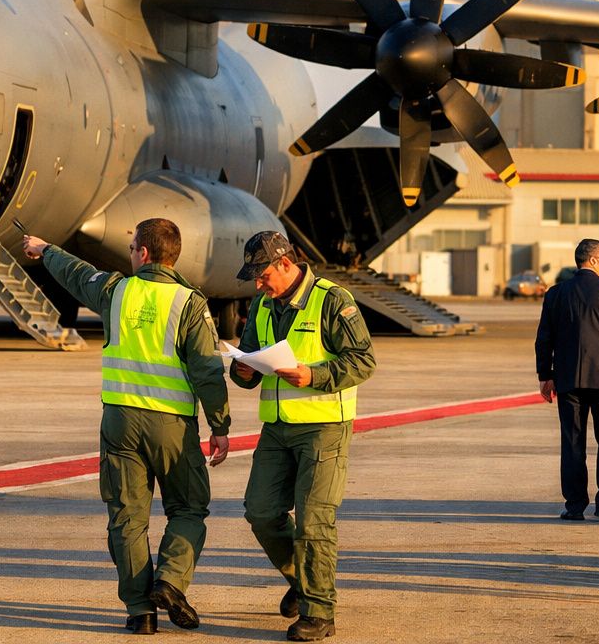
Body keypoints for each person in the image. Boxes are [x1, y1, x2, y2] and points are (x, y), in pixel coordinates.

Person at [23, 219, 231, 635]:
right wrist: (220, 424)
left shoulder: (116, 290)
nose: (130, 251)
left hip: (120, 422)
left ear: (145, 254)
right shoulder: (188, 302)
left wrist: (45, 249)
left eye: (133, 246)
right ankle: (170, 582)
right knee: (188, 508)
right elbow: (207, 370)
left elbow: (76, 273)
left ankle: (141, 612)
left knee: (127, 518)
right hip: (171, 425)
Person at [229, 230, 375, 642]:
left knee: (314, 520)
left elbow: (363, 360)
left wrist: (315, 375)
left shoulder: (332, 300)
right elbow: (250, 358)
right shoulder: (261, 305)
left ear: (286, 264)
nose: (258, 284)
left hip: (323, 426)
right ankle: (302, 579)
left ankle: (319, 613)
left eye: (262, 275)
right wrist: (241, 370)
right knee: (259, 511)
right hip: (277, 428)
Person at [533, 238, 599, 521]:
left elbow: (544, 338)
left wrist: (545, 375)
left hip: (569, 379)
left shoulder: (556, 294)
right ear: (592, 260)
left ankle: (574, 505)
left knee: (572, 442)